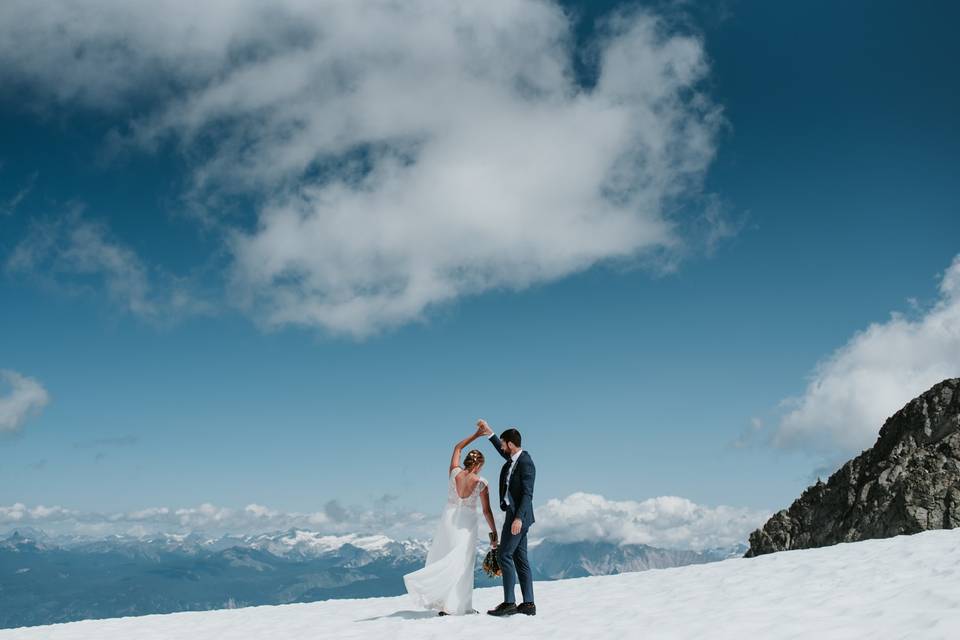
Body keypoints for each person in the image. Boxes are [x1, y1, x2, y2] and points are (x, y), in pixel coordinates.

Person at [403, 424, 499, 615]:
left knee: (446, 556)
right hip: (466, 525)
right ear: (479, 465)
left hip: (448, 521)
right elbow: (487, 511)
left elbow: (457, 447)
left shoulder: (454, 473)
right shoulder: (481, 483)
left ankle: (448, 604)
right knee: (463, 563)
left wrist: (476, 435)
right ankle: (458, 606)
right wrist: (494, 534)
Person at [477, 419, 537, 617]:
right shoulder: (513, 460)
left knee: (504, 555)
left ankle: (509, 603)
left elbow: (528, 494)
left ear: (511, 444)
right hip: (514, 514)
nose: (502, 447)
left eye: (504, 443)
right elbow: (500, 450)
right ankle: (528, 604)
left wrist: (518, 518)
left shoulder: (526, 462)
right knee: (520, 558)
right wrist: (489, 433)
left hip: (519, 516)